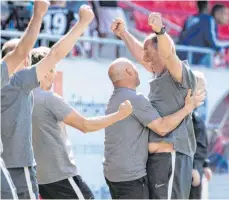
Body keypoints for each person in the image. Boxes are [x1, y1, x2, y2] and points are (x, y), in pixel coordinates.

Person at [1, 4, 94, 199]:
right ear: (24, 61)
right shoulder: (18, 83)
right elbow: (54, 55)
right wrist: (82, 23)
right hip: (19, 167)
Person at [111, 12, 206, 199]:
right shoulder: (159, 75)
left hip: (172, 158)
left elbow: (168, 55)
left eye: (148, 51)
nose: (144, 57)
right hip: (158, 160)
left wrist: (160, 32)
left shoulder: (179, 74)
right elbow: (142, 54)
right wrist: (124, 34)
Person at [29, 47, 133, 199]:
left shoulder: (24, 98)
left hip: (41, 180)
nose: (54, 74)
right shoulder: (48, 99)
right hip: (61, 177)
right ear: (42, 71)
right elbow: (85, 125)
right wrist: (119, 115)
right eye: (51, 70)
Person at [189, 111, 212, 199]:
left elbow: (202, 142)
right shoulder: (185, 116)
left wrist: (206, 165)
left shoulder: (196, 116)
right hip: (191, 169)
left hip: (198, 167)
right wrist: (193, 167)